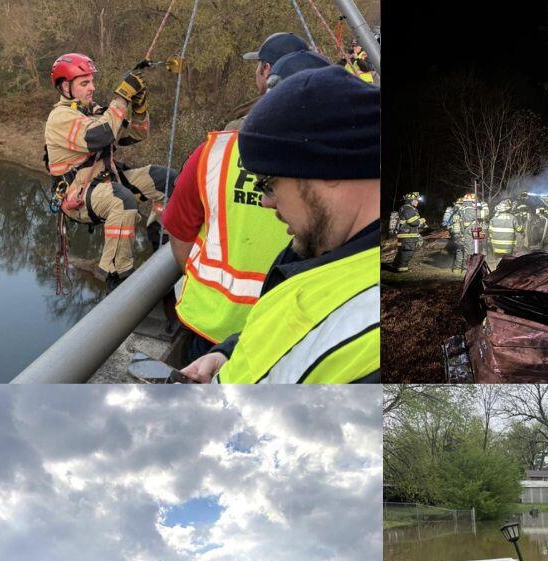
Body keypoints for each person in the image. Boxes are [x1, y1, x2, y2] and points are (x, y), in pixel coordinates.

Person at [180, 66, 380, 383]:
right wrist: (228, 354)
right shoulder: (320, 246)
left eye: (269, 184)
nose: (265, 202)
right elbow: (280, 336)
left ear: (327, 170)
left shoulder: (373, 338)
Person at [162, 50, 330, 365]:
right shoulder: (338, 169)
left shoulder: (214, 153)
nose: (269, 200)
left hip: (214, 328)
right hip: (290, 333)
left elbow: (180, 233)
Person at [44, 53, 177, 291]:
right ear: (66, 86)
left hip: (106, 179)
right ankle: (118, 277)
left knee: (166, 180)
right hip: (79, 194)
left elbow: (136, 134)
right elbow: (101, 135)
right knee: (122, 201)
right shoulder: (61, 118)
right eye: (84, 83)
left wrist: (139, 106)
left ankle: (164, 236)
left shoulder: (90, 111)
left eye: (92, 82)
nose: (92, 88)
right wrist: (122, 97)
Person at [393, 192, 425, 272]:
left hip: (407, 235)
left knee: (402, 252)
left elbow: (414, 222)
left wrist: (423, 225)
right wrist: (422, 220)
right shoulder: (408, 208)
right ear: (410, 200)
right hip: (407, 235)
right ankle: (402, 269)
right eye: (415, 200)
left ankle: (396, 266)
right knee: (407, 252)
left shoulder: (409, 209)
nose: (417, 202)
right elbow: (413, 222)